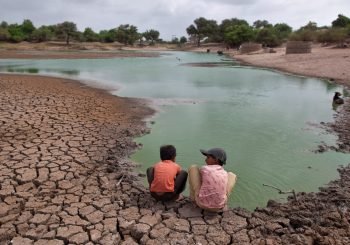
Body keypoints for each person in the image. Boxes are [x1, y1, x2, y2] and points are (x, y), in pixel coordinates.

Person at [188, 148, 237, 212]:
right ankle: (223, 201)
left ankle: (193, 199)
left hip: (202, 204)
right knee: (232, 175)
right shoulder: (224, 173)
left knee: (193, 168)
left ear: (216, 160)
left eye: (208, 157)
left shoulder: (205, 169)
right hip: (219, 206)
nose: (205, 160)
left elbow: (199, 179)